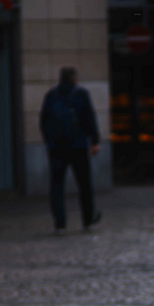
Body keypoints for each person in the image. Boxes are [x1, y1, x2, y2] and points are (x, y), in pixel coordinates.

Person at [39, 67, 102, 233]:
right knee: (84, 183)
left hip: (57, 148)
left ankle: (60, 223)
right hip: (78, 146)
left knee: (57, 185)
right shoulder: (81, 94)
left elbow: (43, 121)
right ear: (74, 78)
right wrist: (94, 141)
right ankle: (87, 219)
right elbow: (90, 118)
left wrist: (49, 142)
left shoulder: (51, 95)